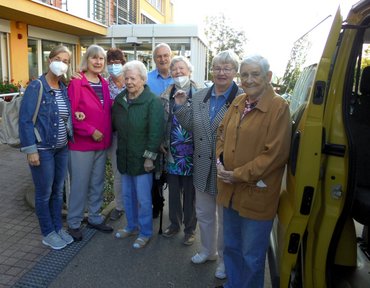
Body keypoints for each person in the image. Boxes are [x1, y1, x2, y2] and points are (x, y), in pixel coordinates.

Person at [216, 54, 291, 288]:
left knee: (252, 256)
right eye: (244, 74)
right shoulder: (239, 102)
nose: (248, 80)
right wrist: (220, 158)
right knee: (231, 248)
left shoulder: (279, 107)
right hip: (229, 191)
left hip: (256, 195)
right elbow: (220, 132)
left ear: (268, 77)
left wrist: (237, 174)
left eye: (255, 74)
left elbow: (275, 155)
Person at [174, 50, 243, 280]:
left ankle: (224, 260)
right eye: (217, 68)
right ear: (211, 71)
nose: (221, 72)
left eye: (227, 68)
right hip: (202, 165)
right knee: (204, 213)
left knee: (225, 219)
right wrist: (181, 106)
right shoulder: (200, 95)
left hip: (227, 169)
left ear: (235, 72)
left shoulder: (241, 99)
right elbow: (192, 126)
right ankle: (207, 250)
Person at [19, 45, 74, 250]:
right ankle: (48, 232)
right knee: (44, 192)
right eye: (58, 58)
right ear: (49, 60)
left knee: (58, 192)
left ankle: (58, 227)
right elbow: (25, 120)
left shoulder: (64, 87)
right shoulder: (37, 86)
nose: (62, 63)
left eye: (66, 61)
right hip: (43, 149)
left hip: (61, 148)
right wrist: (30, 150)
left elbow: (63, 116)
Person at [112, 60, 164, 249]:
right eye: (126, 78)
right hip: (125, 157)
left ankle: (145, 232)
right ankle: (131, 226)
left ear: (143, 79)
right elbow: (112, 124)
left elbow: (156, 131)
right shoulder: (120, 100)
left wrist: (150, 156)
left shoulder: (152, 101)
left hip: (143, 159)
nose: (129, 82)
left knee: (143, 199)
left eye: (133, 78)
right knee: (128, 196)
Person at [67, 44, 113, 241]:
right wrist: (90, 130)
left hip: (101, 143)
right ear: (87, 60)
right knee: (79, 185)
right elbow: (71, 115)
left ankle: (94, 217)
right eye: (94, 58)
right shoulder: (77, 82)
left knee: (97, 182)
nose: (98, 62)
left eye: (101, 59)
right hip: (82, 145)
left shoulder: (103, 82)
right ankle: (74, 222)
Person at [159, 56, 199, 246]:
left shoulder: (200, 94)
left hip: (193, 151)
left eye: (181, 68)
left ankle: (190, 229)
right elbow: (162, 121)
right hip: (173, 151)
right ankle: (174, 224)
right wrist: (161, 141)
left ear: (189, 71)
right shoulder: (165, 95)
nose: (177, 72)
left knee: (190, 194)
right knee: (174, 192)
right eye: (174, 69)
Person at [147, 42, 174, 219]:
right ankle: (156, 205)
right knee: (154, 176)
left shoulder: (180, 75)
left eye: (166, 55)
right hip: (154, 132)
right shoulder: (147, 78)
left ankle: (175, 214)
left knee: (174, 176)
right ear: (154, 59)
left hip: (176, 135)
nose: (163, 59)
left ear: (171, 57)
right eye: (159, 56)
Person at [106, 47, 127, 221]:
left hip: (133, 135)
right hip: (113, 135)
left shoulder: (131, 81)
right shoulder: (104, 84)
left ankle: (138, 204)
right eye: (111, 63)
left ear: (123, 63)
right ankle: (120, 206)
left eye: (117, 63)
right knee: (118, 171)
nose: (114, 66)